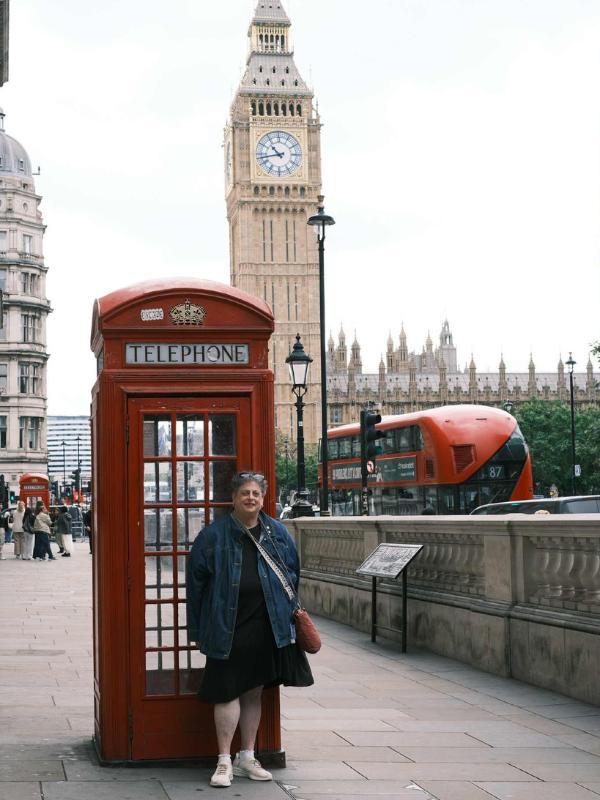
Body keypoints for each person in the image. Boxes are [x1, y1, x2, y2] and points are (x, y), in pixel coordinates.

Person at [187, 471, 312, 789]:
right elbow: (196, 586)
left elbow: (293, 573)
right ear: (233, 497)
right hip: (226, 626)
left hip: (266, 625)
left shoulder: (278, 533)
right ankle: (224, 760)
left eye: (256, 493)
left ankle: (247, 756)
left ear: (263, 498)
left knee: (254, 690)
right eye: (245, 492)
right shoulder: (213, 536)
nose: (251, 498)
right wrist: (198, 629)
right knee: (227, 692)